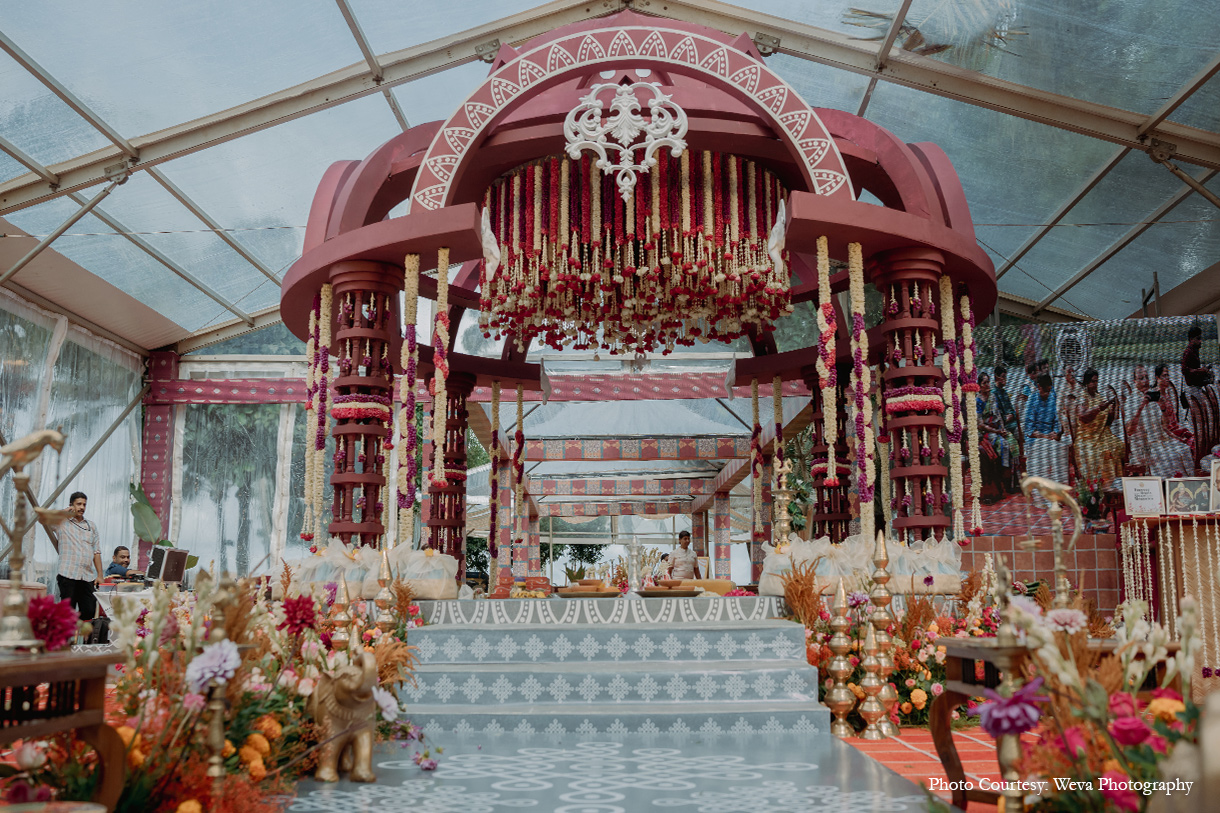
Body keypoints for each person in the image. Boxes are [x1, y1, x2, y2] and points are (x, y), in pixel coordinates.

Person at [1126, 365, 1193, 478]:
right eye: (1141, 378)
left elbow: (1164, 425)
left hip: (1160, 440)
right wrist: (1141, 407)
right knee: (1169, 457)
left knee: (1184, 449)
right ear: (1134, 381)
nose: (1145, 381)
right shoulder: (1131, 400)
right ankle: (1166, 487)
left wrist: (1162, 408)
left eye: (1147, 377)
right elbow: (1129, 431)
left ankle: (1186, 484)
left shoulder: (1152, 396)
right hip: (1143, 445)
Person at [56, 491, 103, 625]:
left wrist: (100, 574)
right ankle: (65, 644)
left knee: (89, 609)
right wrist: (66, 512)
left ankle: (84, 644)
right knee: (67, 613)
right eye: (78, 504)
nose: (82, 507)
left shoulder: (91, 526)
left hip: (86, 576)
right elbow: (46, 520)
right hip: (68, 574)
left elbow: (96, 551)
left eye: (84, 504)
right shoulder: (61, 523)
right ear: (71, 505)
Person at [1074, 369, 1124, 485]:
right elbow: (1083, 416)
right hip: (1087, 437)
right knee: (1101, 452)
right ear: (1086, 383)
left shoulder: (1099, 397)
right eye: (1092, 382)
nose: (1094, 384)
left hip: (1101, 434)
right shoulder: (1082, 397)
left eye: (1096, 381)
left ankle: (1115, 483)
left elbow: (1107, 422)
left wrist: (1113, 409)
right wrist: (1100, 408)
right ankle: (1098, 486)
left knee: (1117, 445)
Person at [1023, 373, 1069, 484]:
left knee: (1062, 448)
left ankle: (1058, 487)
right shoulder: (1032, 400)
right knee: (1044, 449)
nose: (1048, 394)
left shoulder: (1052, 398)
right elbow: (1029, 430)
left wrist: (1056, 433)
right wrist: (1045, 436)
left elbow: (1056, 422)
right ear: (1039, 387)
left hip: (1050, 436)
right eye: (1046, 391)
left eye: (1049, 391)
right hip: (1036, 438)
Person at [1154, 363, 1195, 452]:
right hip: (1167, 436)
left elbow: (1173, 420)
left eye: (1168, 375)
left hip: (1176, 431)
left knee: (1197, 439)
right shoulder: (1157, 397)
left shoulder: (1167, 394)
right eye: (1164, 376)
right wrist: (1179, 439)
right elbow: (1162, 428)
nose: (1168, 378)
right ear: (1157, 378)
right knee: (1193, 444)